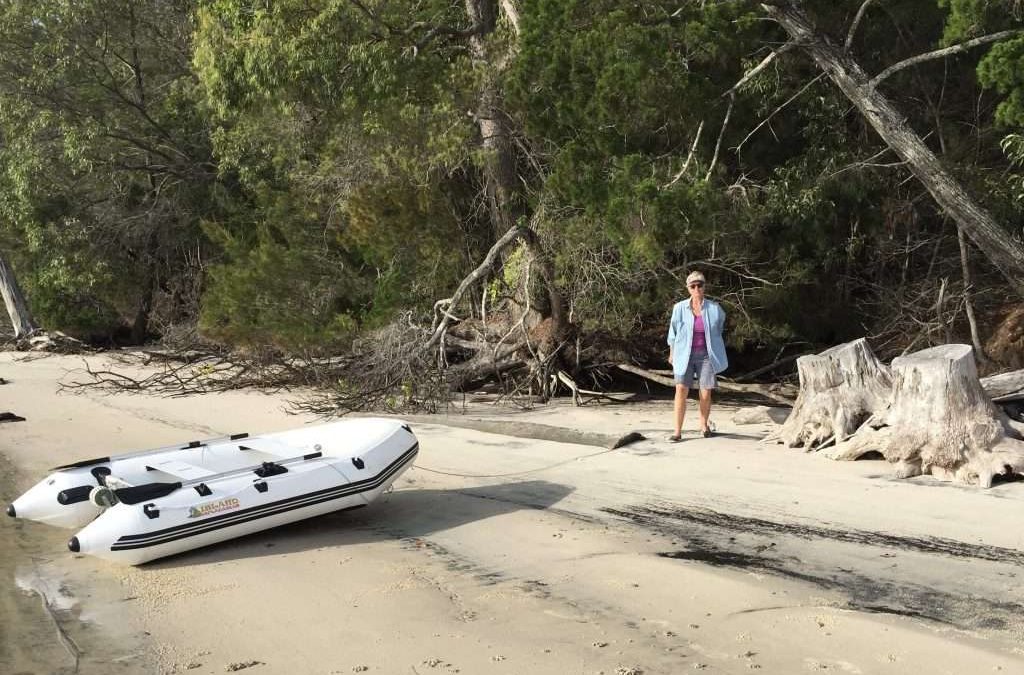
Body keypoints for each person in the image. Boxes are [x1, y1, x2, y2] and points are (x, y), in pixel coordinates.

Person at [666, 271, 728, 441]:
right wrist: (672, 353)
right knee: (681, 389)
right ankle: (677, 432)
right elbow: (673, 333)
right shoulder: (679, 308)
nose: (697, 288)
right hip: (683, 353)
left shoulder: (715, 308)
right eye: (693, 286)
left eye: (699, 285)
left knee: (706, 392)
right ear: (688, 288)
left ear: (704, 287)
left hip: (706, 355)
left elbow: (719, 328)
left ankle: (704, 425)